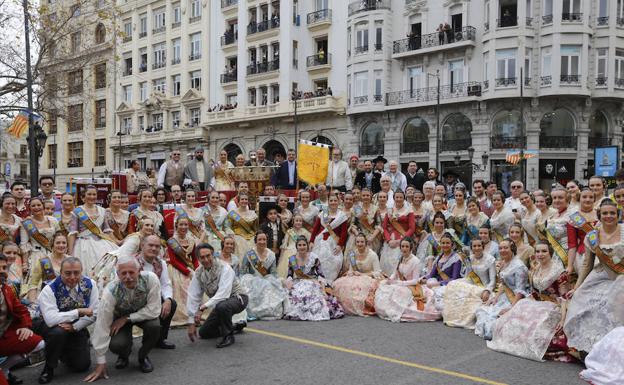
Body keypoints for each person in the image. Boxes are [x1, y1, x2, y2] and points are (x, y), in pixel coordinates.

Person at [487, 242, 575, 362]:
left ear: (551, 253)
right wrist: (514, 308)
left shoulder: (559, 272)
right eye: (538, 251)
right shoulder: (535, 269)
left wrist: (563, 320)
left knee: (538, 334)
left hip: (555, 306)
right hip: (536, 303)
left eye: (544, 251)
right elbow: (534, 293)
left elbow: (565, 298)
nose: (540, 254)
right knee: (514, 319)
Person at [85, 256, 162, 381]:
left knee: (154, 326)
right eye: (123, 273)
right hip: (118, 317)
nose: (128, 277)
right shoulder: (110, 291)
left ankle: (143, 356)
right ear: (117, 274)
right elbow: (102, 325)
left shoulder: (151, 279)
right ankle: (124, 354)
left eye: (131, 272)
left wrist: (127, 318)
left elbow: (153, 310)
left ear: (139, 270)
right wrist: (100, 362)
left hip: (143, 315)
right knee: (117, 344)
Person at [564, 199, 624, 354]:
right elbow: (586, 265)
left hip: (622, 277)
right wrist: (576, 287)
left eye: (612, 213)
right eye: (605, 213)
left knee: (612, 303)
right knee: (581, 297)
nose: (609, 216)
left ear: (618, 215)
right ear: (599, 215)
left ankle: (614, 348)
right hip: (601, 275)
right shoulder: (592, 236)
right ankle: (589, 348)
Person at [36, 257, 99, 384]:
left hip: (76, 325)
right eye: (68, 273)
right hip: (50, 327)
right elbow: (50, 319)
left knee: (82, 366)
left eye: (76, 272)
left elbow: (95, 312)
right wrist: (79, 312)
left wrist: (76, 326)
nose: (72, 277)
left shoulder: (91, 284)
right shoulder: (49, 289)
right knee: (58, 333)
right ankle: (49, 366)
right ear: (60, 272)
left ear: (82, 271)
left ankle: (62, 351)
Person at [186, 243, 248, 348]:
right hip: (220, 304)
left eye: (208, 256)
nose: (206, 260)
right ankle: (234, 327)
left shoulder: (225, 268)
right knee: (204, 333)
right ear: (198, 259)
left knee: (222, 306)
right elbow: (193, 296)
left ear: (213, 255)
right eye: (202, 257)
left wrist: (201, 309)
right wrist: (191, 322)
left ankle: (228, 336)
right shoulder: (198, 273)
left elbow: (223, 294)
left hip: (238, 298)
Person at [0, 254, 45, 385]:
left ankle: (5, 370)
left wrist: (25, 326)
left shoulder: (6, 289)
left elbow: (21, 310)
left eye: (4, 267)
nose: (2, 271)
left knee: (38, 343)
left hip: (4, 335)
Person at [475, 239, 529, 340]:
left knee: (496, 320)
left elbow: (520, 291)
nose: (502, 250)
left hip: (516, 299)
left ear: (512, 249)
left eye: (505, 248)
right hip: (504, 296)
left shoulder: (519, 266)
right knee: (482, 310)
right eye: (500, 248)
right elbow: (503, 284)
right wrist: (495, 297)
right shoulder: (504, 262)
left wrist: (511, 309)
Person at [375, 237, 439, 322]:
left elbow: (415, 281)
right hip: (399, 283)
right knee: (383, 286)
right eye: (402, 246)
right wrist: (389, 279)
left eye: (407, 246)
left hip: (410, 286)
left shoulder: (416, 261)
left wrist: (399, 283)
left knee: (398, 291)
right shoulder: (401, 258)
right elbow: (395, 272)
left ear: (411, 248)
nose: (404, 249)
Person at [282, 236, 344, 321]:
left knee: (314, 294)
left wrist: (323, 288)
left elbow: (321, 275)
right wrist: (288, 283)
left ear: (307, 246)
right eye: (299, 245)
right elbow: (289, 275)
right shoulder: (292, 259)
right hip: (298, 282)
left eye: (304, 245)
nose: (302, 247)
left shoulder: (314, 257)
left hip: (312, 282)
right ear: (296, 247)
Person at [442, 238, 496, 329]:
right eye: (474, 246)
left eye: (479, 246)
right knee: (453, 284)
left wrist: (487, 290)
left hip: (484, 288)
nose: (477, 248)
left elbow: (493, 280)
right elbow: (468, 277)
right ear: (471, 248)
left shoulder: (490, 259)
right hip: (471, 286)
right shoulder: (470, 258)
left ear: (483, 247)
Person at [136, 235, 176, 350]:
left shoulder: (161, 263)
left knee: (172, 303)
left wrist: (168, 299)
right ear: (142, 246)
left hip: (153, 299)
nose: (154, 249)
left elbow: (165, 284)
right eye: (151, 245)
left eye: (157, 246)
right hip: (135, 302)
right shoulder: (133, 262)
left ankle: (159, 339)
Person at [69, 186, 119, 275]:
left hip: (102, 243)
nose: (92, 196)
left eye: (94, 194)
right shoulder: (77, 211)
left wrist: (116, 243)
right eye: (89, 194)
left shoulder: (103, 211)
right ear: (83, 196)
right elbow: (72, 233)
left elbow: (107, 230)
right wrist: (70, 253)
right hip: (83, 245)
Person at [239, 231, 287, 320]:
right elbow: (242, 271)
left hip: (266, 279)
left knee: (272, 286)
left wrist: (279, 281)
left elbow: (273, 273)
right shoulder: (249, 254)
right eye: (259, 239)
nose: (262, 241)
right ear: (255, 241)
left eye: (264, 239)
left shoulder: (271, 255)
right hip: (252, 280)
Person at [333, 233, 382, 316]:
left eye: (362, 242)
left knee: (359, 288)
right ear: (355, 243)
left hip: (368, 277)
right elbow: (351, 270)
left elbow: (378, 272)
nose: (360, 244)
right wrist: (351, 272)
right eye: (358, 242)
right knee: (339, 284)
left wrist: (363, 274)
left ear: (366, 243)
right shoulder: (352, 254)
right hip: (355, 277)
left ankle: (361, 307)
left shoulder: (372, 255)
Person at [310, 194, 349, 282]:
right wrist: (311, 241)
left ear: (338, 202)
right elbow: (315, 229)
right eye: (331, 201)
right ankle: (319, 281)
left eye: (335, 200)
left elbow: (344, 233)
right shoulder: (323, 213)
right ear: (328, 202)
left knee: (335, 263)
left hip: (334, 243)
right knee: (319, 262)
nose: (333, 202)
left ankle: (329, 283)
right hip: (320, 242)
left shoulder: (342, 216)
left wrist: (340, 245)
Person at [166, 218, 198, 327]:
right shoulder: (171, 241)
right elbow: (173, 261)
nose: (183, 227)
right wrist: (187, 272)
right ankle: (184, 315)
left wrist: (197, 270)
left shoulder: (192, 240)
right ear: (176, 226)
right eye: (181, 225)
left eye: (186, 225)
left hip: (190, 268)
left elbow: (194, 258)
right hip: (177, 270)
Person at [21, 232, 68, 303]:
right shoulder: (44, 261)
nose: (61, 245)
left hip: (67, 296)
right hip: (49, 297)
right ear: (52, 245)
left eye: (64, 243)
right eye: (58, 243)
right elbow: (33, 283)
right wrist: (33, 302)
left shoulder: (71, 260)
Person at [20, 197, 60, 274]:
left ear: (43, 206)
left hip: (53, 254)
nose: (36, 207)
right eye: (33, 206)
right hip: (36, 255)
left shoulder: (53, 220)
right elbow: (24, 244)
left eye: (39, 205)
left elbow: (59, 237)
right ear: (30, 208)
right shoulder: (26, 223)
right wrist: (25, 264)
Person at [380, 191, 415, 276]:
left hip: (404, 239)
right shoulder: (390, 210)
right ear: (394, 198)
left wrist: (402, 240)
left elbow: (412, 228)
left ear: (404, 199)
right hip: (391, 239)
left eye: (401, 197)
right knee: (387, 261)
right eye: (397, 197)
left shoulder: (409, 210)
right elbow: (384, 227)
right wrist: (388, 240)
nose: (399, 199)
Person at [544, 188, 572, 272]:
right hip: (553, 254)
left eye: (560, 197)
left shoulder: (572, 214)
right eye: (554, 198)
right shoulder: (553, 215)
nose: (557, 200)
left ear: (567, 199)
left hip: (566, 255)